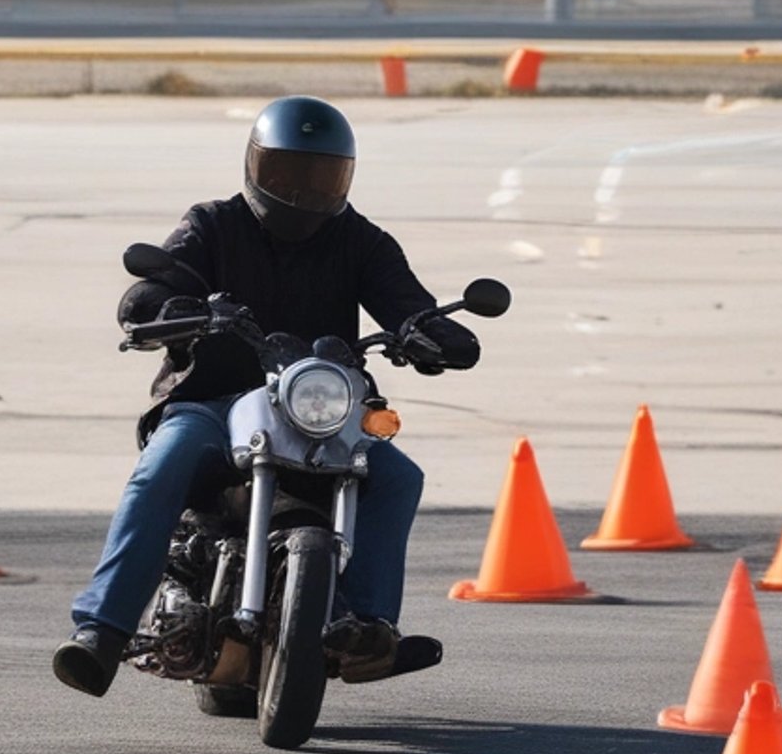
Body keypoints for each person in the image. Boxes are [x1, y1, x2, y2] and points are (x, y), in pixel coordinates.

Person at [53, 95, 481, 698]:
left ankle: (368, 626)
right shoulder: (211, 224)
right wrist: (165, 306)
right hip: (212, 401)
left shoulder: (363, 241)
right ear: (256, 168)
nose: (303, 189)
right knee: (162, 467)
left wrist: (431, 331)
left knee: (397, 475)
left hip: (320, 412)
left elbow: (406, 300)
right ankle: (102, 628)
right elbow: (155, 286)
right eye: (286, 173)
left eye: (320, 175)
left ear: (344, 176)